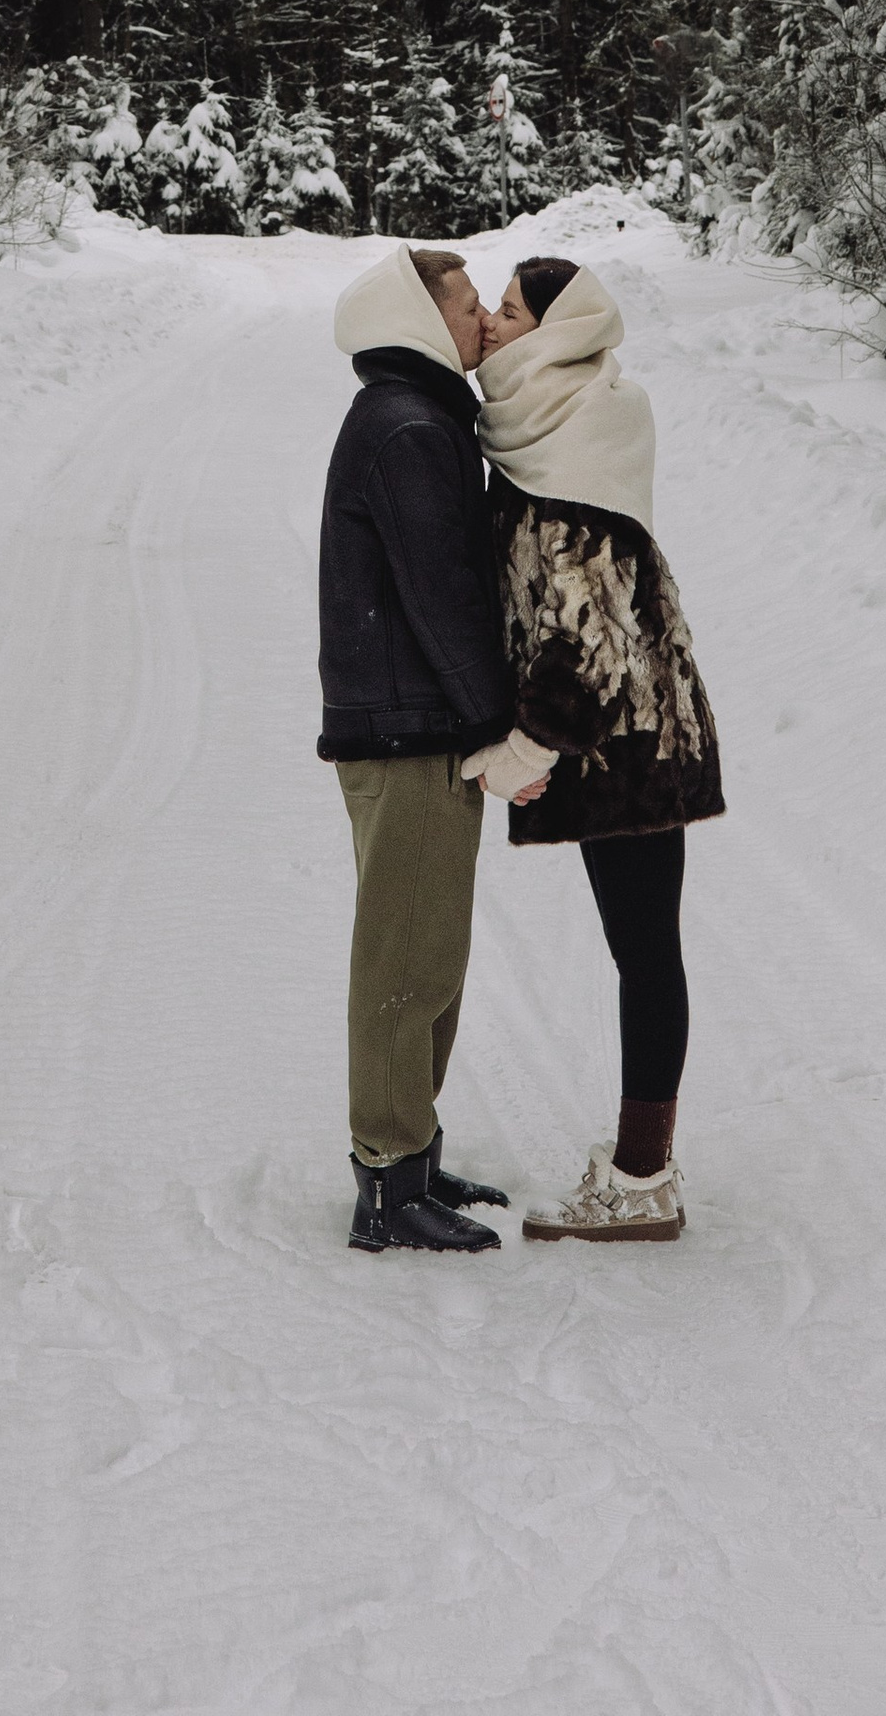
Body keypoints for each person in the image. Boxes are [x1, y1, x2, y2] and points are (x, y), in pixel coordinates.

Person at [317, 243, 564, 1254]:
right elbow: (443, 598)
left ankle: (411, 1156)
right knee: (403, 961)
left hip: (414, 724)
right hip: (408, 729)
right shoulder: (411, 426)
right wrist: (496, 727)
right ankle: (385, 1184)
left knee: (432, 956)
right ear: (418, 320)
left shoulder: (416, 417)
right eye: (464, 303)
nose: (478, 321)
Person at [473, 253, 723, 1243]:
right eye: (489, 308)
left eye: (507, 310)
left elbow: (587, 641)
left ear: (556, 331)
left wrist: (524, 751)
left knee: (644, 951)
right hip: (628, 736)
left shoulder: (574, 436)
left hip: (628, 743)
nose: (491, 325)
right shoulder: (541, 418)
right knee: (643, 948)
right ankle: (643, 1166)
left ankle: (640, 1178)